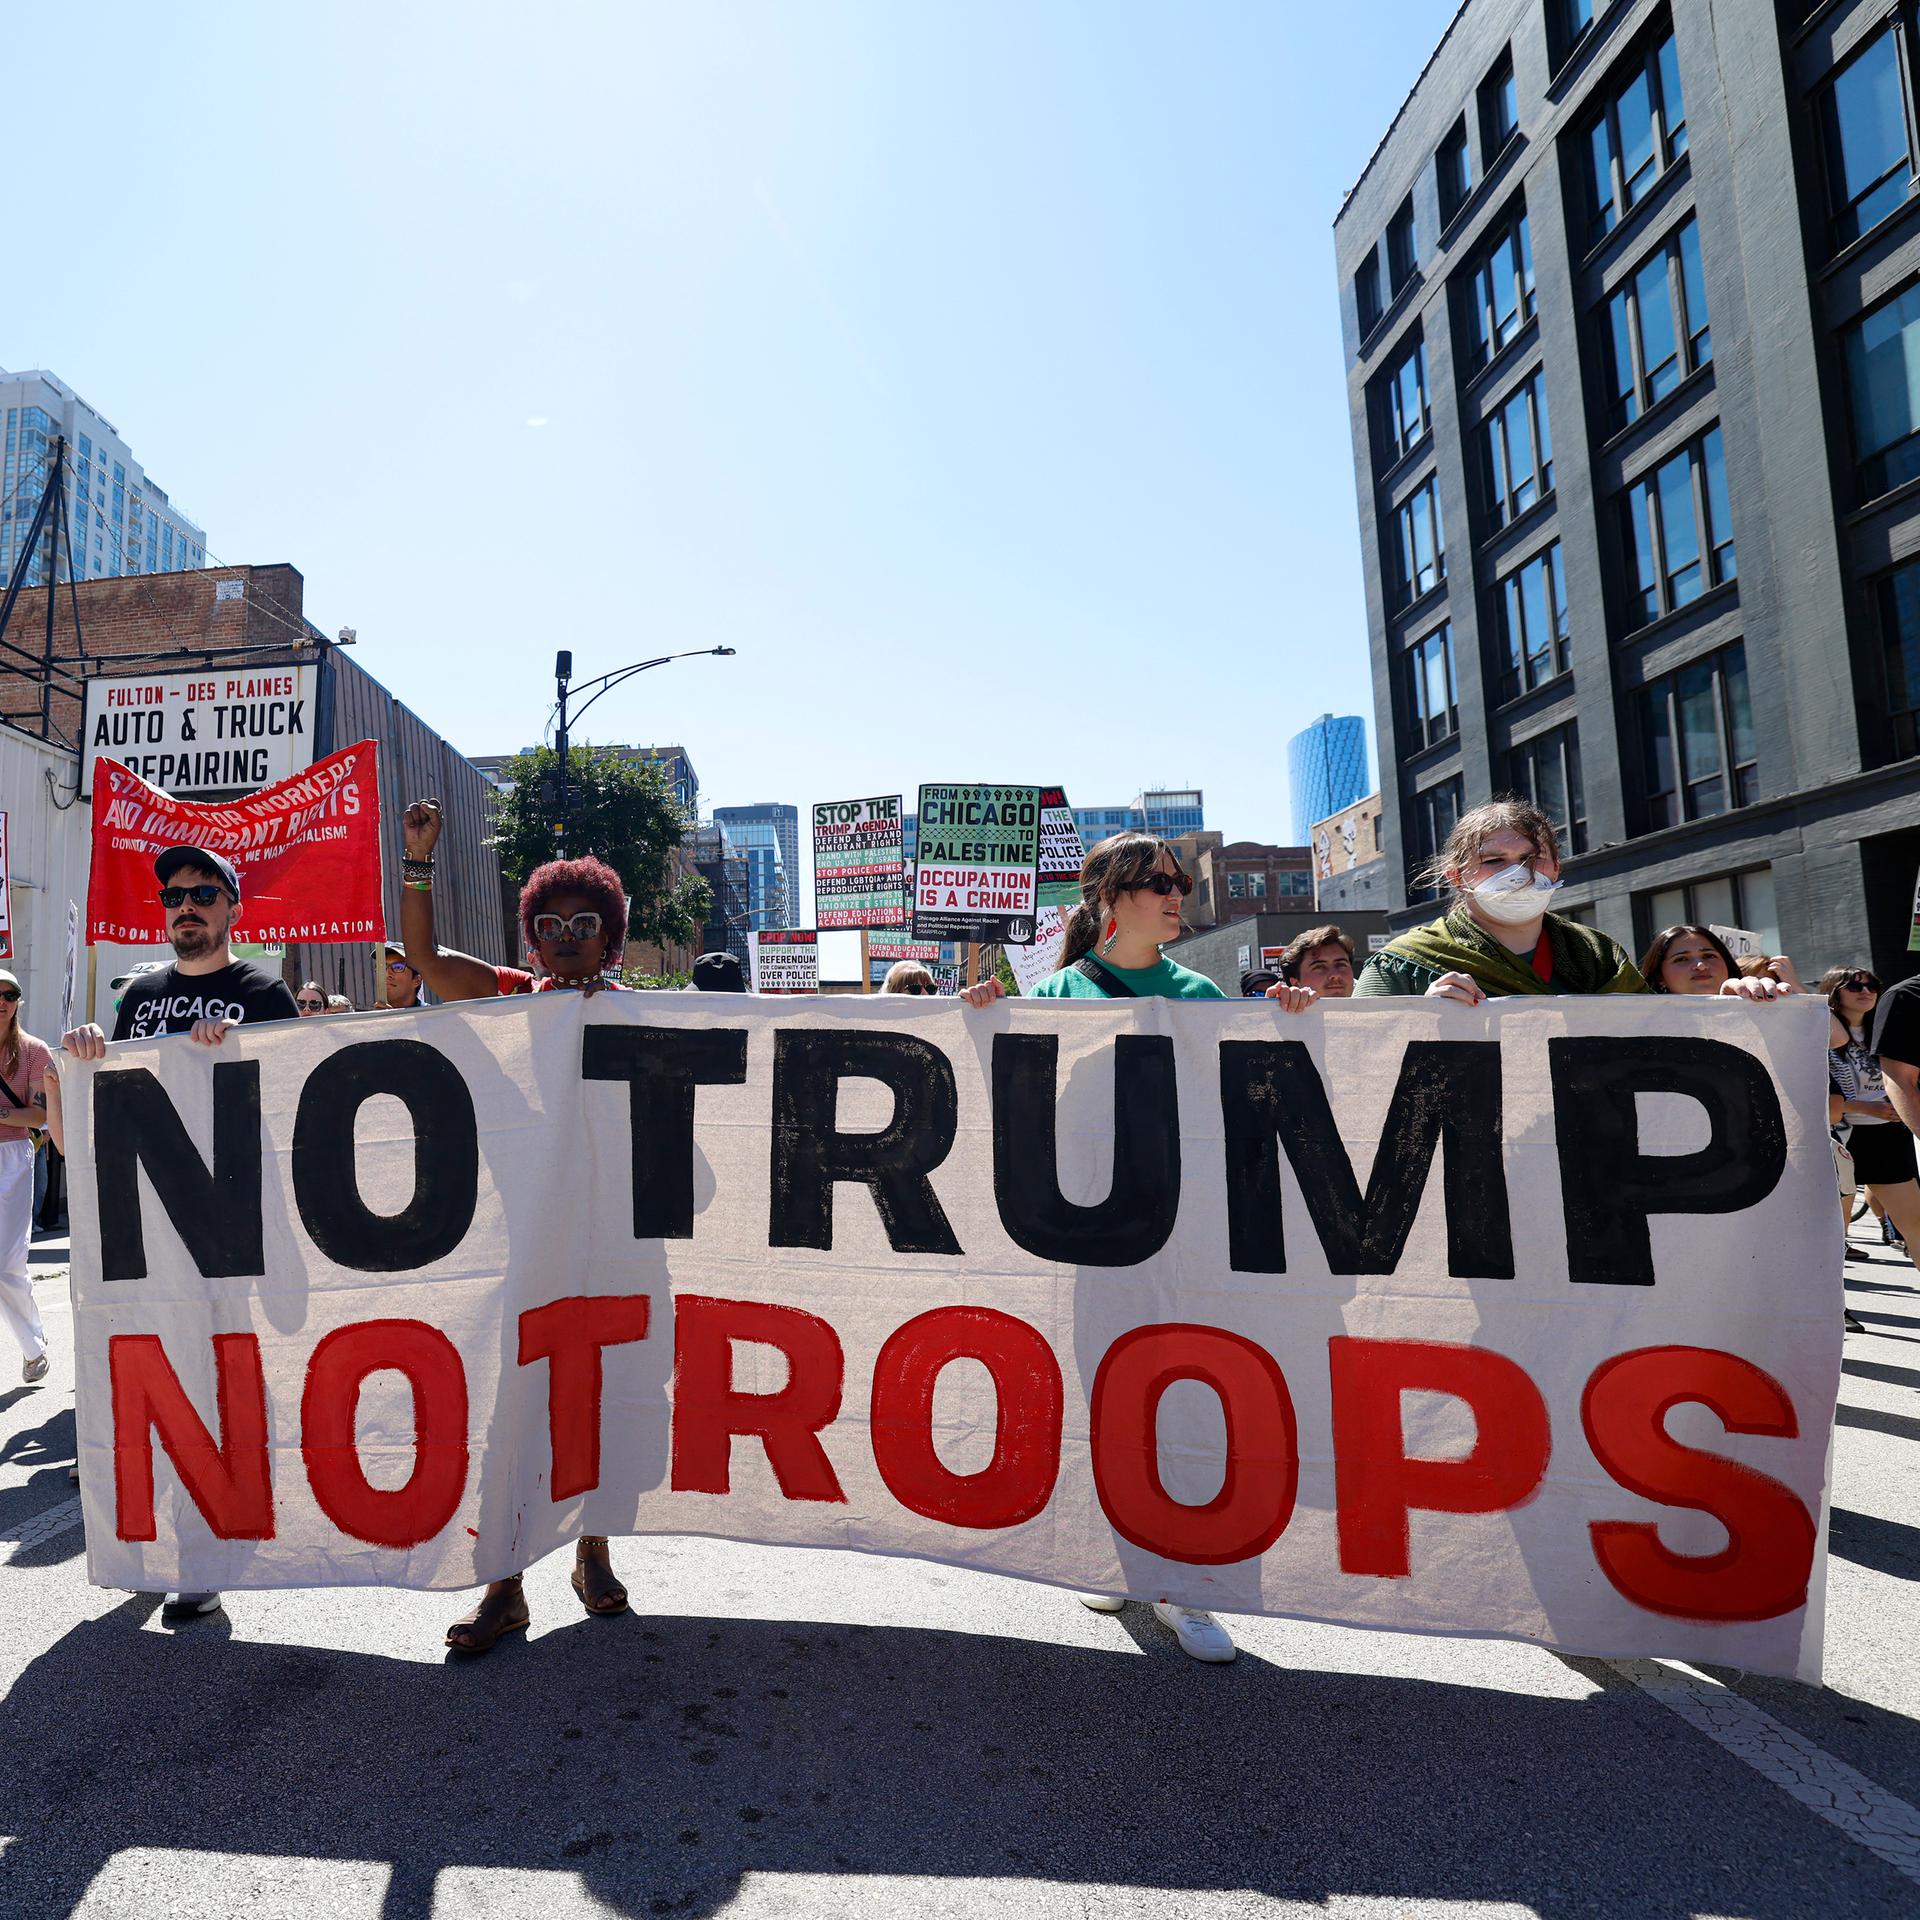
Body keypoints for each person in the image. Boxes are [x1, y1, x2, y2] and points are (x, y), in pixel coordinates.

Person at [961, 832, 1255, 1663]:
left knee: (1184, 1395)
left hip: (1184, 1232)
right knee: (1113, 1397)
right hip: (1092, 1237)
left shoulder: (1199, 990)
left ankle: (1187, 1586)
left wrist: (1292, 1017)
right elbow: (1010, 1101)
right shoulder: (1055, 992)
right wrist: (981, 1027)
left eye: (1181, 881)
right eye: (1157, 882)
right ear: (1105, 896)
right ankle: (1127, 1562)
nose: (1177, 895)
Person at [397, 796, 634, 1654]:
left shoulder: (639, 1017)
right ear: (532, 938)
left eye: (585, 922)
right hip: (514, 1243)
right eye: (551, 924)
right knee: (510, 1410)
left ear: (610, 935)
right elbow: (421, 956)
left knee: (599, 1401)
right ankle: (506, 1585)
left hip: (608, 1242)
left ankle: (593, 1554)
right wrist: (419, 859)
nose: (567, 936)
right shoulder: (504, 996)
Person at [59, 844, 300, 1623]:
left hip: (229, 1222)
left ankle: (204, 1550)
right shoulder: (140, 996)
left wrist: (238, 1058)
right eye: (173, 896)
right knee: (149, 1376)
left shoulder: (263, 992)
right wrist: (93, 1055)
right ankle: (157, 1540)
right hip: (147, 1226)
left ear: (234, 908)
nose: (185, 906)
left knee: (214, 1380)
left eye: (203, 893)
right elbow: (114, 1105)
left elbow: (297, 1104)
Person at [1357, 801, 1785, 1004]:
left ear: (1555, 867)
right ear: (1456, 876)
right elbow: (1351, 1065)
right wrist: (1416, 1022)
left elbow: (1664, 1040)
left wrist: (1728, 1006)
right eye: (1494, 861)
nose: (1518, 873)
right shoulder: (1403, 965)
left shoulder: (1601, 957)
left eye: (1532, 857)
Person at [1832, 966, 1919, 1266]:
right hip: (1844, 1136)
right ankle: (1835, 1303)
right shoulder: (1824, 1034)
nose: (1866, 991)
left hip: (1889, 1132)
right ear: (1835, 991)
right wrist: (1865, 1108)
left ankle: (1891, 1230)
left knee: (1917, 1224)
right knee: (1834, 1227)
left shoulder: (1883, 1026)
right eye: (1855, 987)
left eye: (1871, 985)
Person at [0, 969, 53, 1385]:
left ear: (19, 1001)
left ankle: (34, 1348)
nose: (1, 1001)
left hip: (12, 1157)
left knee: (6, 1266)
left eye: (9, 994)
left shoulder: (33, 1051)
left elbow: (39, 1116)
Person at [1276, 924, 1358, 999]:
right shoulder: (1280, 1013)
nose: (1335, 975)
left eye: (1341, 965)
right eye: (1320, 967)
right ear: (1296, 984)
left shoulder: (1370, 1006)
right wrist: (1270, 1010)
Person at [381, 941, 424, 1010]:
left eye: (398, 967)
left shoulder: (436, 1019)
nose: (387, 973)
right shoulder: (368, 1019)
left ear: (417, 980)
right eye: (382, 967)